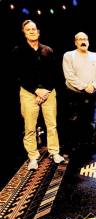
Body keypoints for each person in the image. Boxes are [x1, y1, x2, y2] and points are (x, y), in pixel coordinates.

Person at [12, 20, 64, 170]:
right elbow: (19, 76)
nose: (32, 31)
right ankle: (33, 157)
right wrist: (36, 90)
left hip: (48, 92)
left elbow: (56, 74)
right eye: (28, 30)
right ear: (24, 33)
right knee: (30, 127)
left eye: (34, 29)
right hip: (29, 93)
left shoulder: (48, 50)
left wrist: (46, 91)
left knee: (52, 125)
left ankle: (54, 152)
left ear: (38, 32)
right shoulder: (18, 51)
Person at [62, 32, 96, 150]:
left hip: (91, 94)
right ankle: (74, 149)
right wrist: (85, 86)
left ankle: (88, 148)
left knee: (90, 122)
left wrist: (93, 85)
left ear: (88, 41)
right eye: (80, 39)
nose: (83, 41)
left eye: (85, 39)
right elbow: (69, 76)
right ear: (75, 42)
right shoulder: (69, 55)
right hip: (74, 95)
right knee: (74, 122)